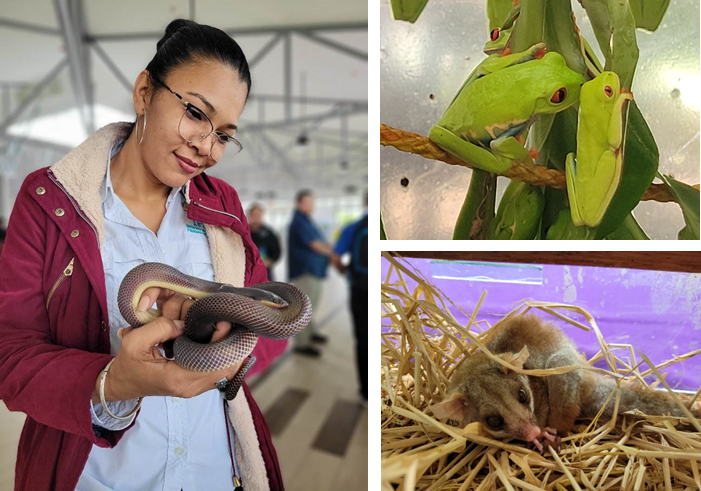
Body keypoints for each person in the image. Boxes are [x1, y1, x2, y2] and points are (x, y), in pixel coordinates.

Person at [0, 19, 286, 491]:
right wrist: (115, 382)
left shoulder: (224, 205)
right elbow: (11, 356)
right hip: (95, 476)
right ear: (144, 92)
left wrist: (231, 349)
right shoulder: (48, 200)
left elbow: (269, 317)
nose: (206, 146)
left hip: (212, 472)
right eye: (195, 112)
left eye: (224, 134)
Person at [331, 194, 368, 403]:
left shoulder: (354, 227)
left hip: (359, 288)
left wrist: (345, 271)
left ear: (365, 203)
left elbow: (335, 257)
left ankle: (365, 392)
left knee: (363, 340)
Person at [287, 189, 332, 357]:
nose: (311, 205)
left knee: (311, 305)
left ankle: (311, 333)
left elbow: (320, 240)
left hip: (314, 270)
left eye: (312, 202)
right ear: (299, 203)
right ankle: (301, 343)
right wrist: (331, 253)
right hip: (306, 270)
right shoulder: (299, 221)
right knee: (303, 308)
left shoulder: (307, 220)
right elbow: (314, 244)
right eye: (307, 202)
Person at [248, 203, 281, 280]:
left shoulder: (269, 233)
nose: (256, 218)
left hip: (266, 273)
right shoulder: (245, 233)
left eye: (258, 215)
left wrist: (269, 262)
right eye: (254, 215)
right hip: (249, 273)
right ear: (250, 216)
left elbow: (277, 252)